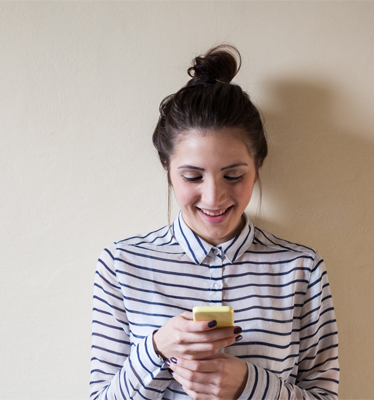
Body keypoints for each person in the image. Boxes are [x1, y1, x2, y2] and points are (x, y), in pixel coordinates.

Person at [90, 45, 339, 400]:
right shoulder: (121, 264)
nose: (213, 198)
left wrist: (249, 385)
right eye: (192, 177)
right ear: (167, 170)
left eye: (234, 175)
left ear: (257, 167)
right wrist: (157, 348)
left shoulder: (301, 268)